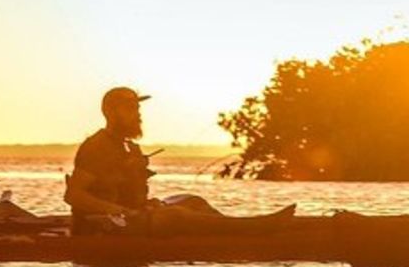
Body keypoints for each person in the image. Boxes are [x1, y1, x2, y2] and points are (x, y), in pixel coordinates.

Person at [63, 86, 296, 235]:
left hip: (132, 217)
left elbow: (130, 191)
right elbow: (74, 196)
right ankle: (253, 229)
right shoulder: (96, 146)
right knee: (175, 215)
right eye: (130, 108)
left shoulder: (129, 147)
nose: (138, 113)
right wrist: (118, 210)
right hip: (104, 225)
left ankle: (233, 231)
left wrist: (145, 204)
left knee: (192, 201)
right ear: (111, 112)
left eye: (137, 107)